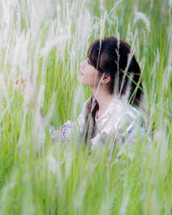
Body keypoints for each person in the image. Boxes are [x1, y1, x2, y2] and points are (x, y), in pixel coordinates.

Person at [15, 36, 150, 149]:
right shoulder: (92, 106)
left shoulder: (124, 117)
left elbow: (91, 160)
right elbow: (56, 143)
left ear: (105, 78)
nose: (82, 64)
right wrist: (33, 104)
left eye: (90, 62)